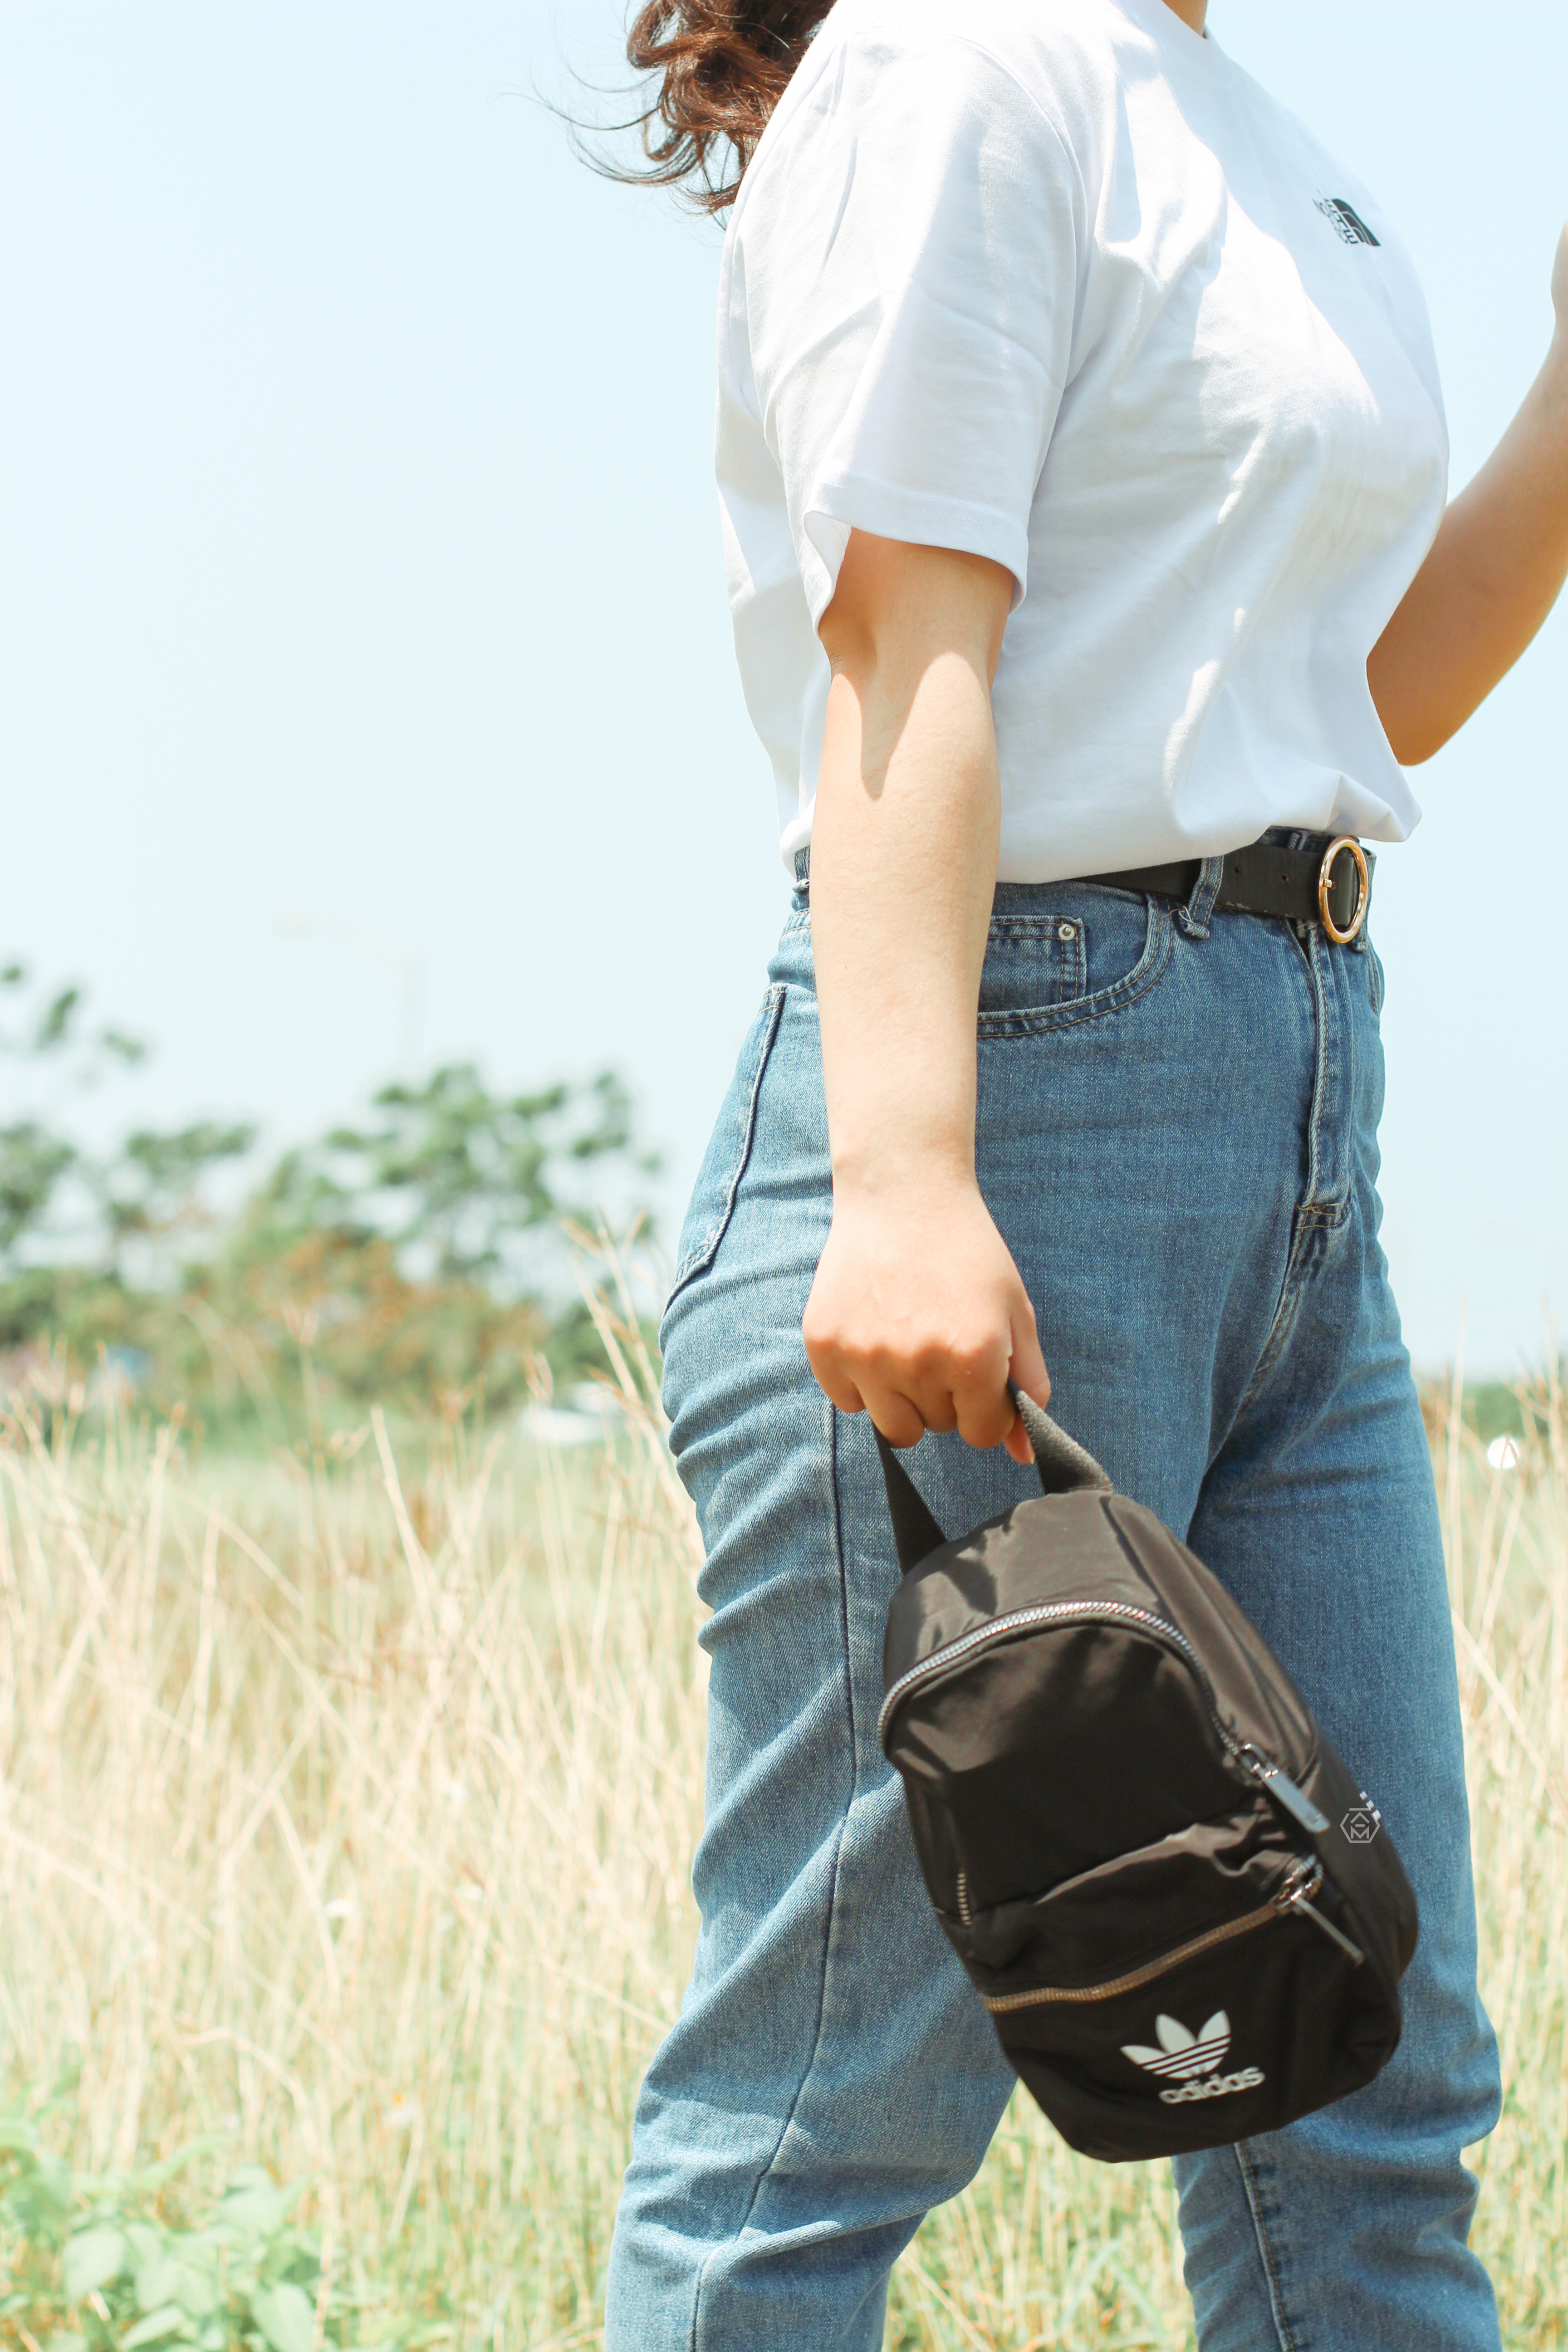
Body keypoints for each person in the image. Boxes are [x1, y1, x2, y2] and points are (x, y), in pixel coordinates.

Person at [602, 0, 1568, 2342]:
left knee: (1354, 2058)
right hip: (1012, 1097)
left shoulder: (1251, 133)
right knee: (831, 2112)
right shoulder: (967, 63)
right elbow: (902, 638)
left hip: (1293, 1104)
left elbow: (1352, 711)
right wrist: (908, 1174)